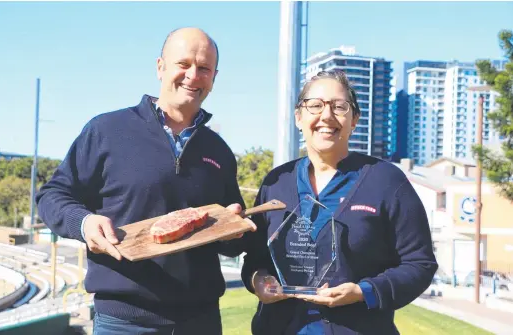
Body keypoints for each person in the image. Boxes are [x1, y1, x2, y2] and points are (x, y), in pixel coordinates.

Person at [36, 27, 255, 334]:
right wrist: (84, 223)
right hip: (124, 322)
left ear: (214, 78)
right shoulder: (107, 130)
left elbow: (232, 242)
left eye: (204, 68)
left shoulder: (219, 151)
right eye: (183, 64)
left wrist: (234, 231)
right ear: (160, 67)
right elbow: (52, 194)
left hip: (201, 321)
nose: (193, 75)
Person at [240, 70, 438, 334]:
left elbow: (420, 264)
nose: (326, 115)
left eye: (339, 106)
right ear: (299, 117)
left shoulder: (386, 180)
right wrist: (259, 281)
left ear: (354, 119)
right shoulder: (277, 182)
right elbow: (255, 259)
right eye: (315, 105)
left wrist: (362, 291)